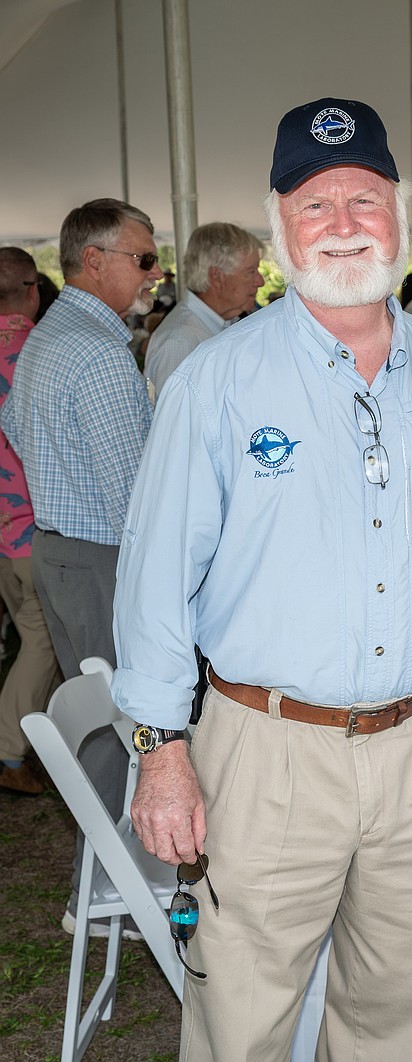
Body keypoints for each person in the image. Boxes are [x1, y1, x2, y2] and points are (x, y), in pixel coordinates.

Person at [111, 96, 412, 1062]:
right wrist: (161, 753)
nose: (345, 223)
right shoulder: (218, 381)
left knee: (397, 1014)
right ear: (279, 230)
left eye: (365, 198)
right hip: (266, 748)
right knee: (240, 1017)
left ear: (400, 214)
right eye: (316, 206)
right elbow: (154, 583)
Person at [0, 198, 158, 932]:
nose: (154, 275)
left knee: (100, 722)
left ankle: (106, 882)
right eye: (144, 258)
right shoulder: (93, 348)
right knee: (123, 727)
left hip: (60, 545)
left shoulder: (50, 333)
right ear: (94, 261)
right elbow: (137, 490)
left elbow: (16, 428)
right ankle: (110, 889)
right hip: (101, 554)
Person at [0, 248, 62, 796]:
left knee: (33, 640)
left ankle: (39, 742)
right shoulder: (38, 351)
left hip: (3, 531)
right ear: (32, 289)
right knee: (42, 643)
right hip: (31, 526)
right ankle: (10, 751)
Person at [144, 222, 264, 397]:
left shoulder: (218, 325)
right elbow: (176, 422)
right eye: (251, 272)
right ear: (217, 277)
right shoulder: (181, 342)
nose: (260, 281)